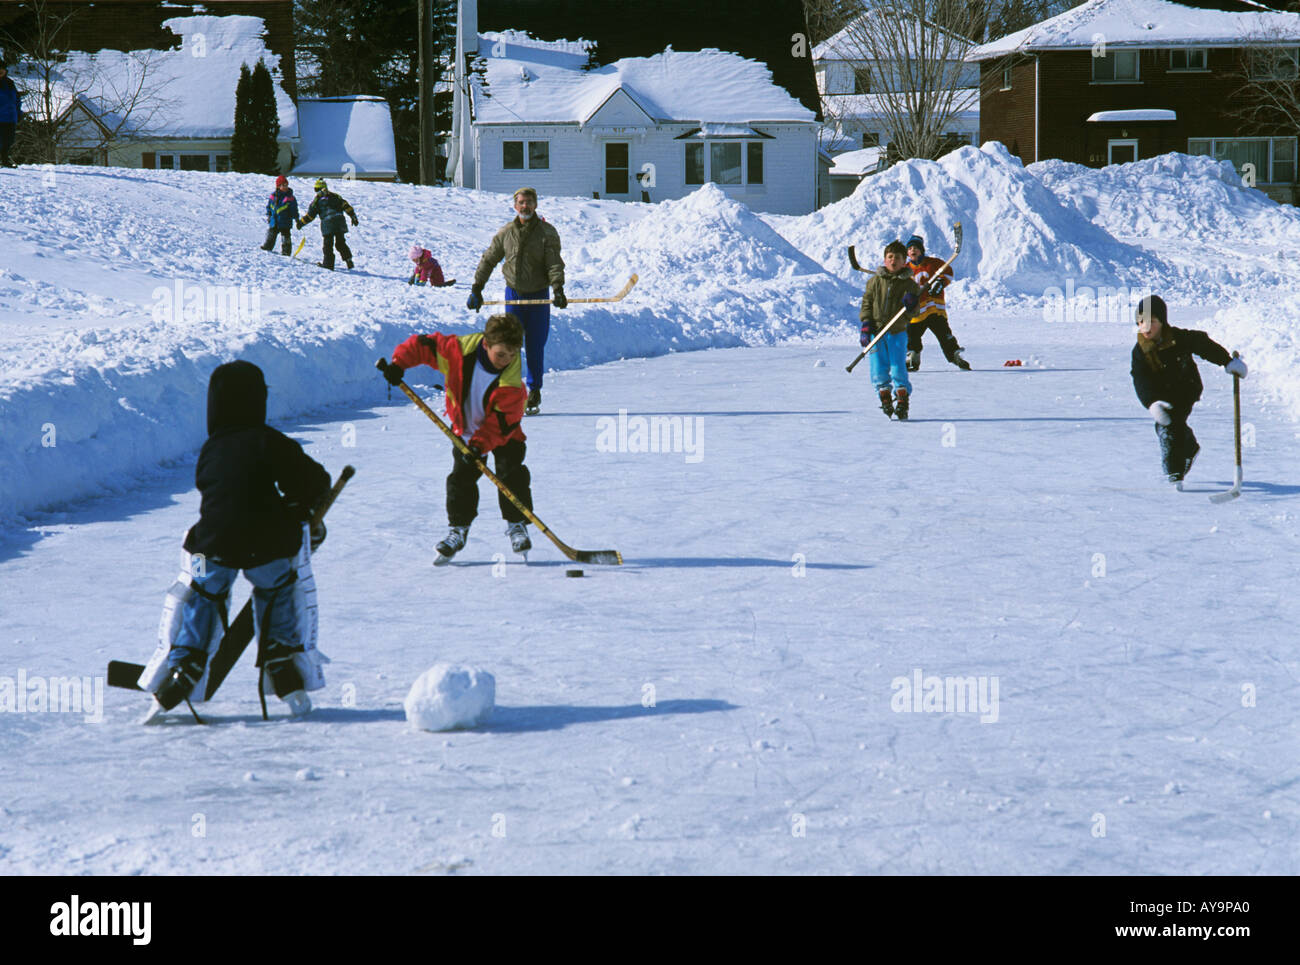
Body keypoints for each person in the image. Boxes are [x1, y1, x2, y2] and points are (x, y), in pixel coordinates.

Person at [149, 361, 332, 717]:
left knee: (203, 593)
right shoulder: (270, 441)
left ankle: (185, 663)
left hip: (213, 544)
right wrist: (299, 509)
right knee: (279, 586)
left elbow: (222, 497)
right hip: (268, 544)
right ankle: (280, 658)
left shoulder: (210, 449)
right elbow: (314, 481)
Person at [379, 314, 533, 563]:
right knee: (460, 480)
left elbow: (500, 423)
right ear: (486, 344)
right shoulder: (458, 352)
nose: (507, 361)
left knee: (511, 473)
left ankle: (516, 524)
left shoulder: (512, 384)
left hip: (504, 434)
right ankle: (458, 530)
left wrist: (480, 445)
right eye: (501, 354)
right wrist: (399, 364)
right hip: (466, 429)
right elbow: (423, 346)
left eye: (513, 355)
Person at [468, 186, 565, 415]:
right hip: (514, 295)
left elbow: (554, 263)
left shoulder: (547, 233)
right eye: (521, 202)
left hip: (539, 296)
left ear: (536, 205)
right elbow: (489, 259)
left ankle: (534, 390)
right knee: (508, 345)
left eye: (529, 202)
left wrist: (558, 289)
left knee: (535, 344)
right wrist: (477, 288)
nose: (525, 206)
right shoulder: (506, 233)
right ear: (515, 206)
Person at [1131, 294, 1246, 487]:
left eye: (1152, 321)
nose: (1146, 327)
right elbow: (1140, 379)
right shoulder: (1140, 351)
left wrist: (1227, 362)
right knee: (1167, 425)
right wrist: (1151, 403)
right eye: (1141, 322)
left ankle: (1174, 474)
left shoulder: (1178, 337)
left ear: (1162, 322)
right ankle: (1189, 449)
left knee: (1169, 428)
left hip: (1186, 389)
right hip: (1160, 395)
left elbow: (1203, 345)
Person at [860, 240, 921, 420]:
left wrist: (911, 305)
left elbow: (915, 311)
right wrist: (865, 324)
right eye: (890, 257)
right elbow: (867, 303)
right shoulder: (874, 282)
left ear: (905, 262)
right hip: (876, 332)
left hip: (897, 332)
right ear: (885, 259)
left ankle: (902, 400)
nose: (893, 261)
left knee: (897, 368)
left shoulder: (910, 285)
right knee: (878, 368)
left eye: (898, 258)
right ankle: (885, 396)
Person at [904, 234, 969, 371]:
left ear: (921, 250)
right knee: (911, 336)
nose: (912, 250)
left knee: (944, 334)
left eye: (915, 247)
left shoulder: (933, 263)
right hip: (916, 312)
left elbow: (948, 272)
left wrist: (941, 282)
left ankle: (954, 355)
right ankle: (913, 358)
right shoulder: (905, 269)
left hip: (934, 310)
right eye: (910, 248)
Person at [298, 178, 358, 270]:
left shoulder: (316, 201)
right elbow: (345, 205)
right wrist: (353, 216)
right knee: (340, 243)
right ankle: (348, 260)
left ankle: (328, 265)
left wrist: (301, 223)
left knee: (328, 245)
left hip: (328, 225)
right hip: (339, 222)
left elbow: (310, 216)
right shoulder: (335, 196)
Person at [261, 175, 299, 255]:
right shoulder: (273, 196)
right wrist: (269, 215)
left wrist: (296, 218)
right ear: (278, 186)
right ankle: (267, 246)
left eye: (286, 185)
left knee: (286, 236)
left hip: (285, 220)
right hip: (274, 220)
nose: (285, 187)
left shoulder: (290, 197)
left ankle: (286, 251)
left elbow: (294, 209)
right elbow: (269, 206)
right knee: (271, 234)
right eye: (283, 185)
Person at [0, 61, 22, 168]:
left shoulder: (10, 83)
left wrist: (19, 113)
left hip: (10, 117)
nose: (1, 71)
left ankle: (5, 160)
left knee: (8, 140)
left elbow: (17, 99)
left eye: (2, 69)